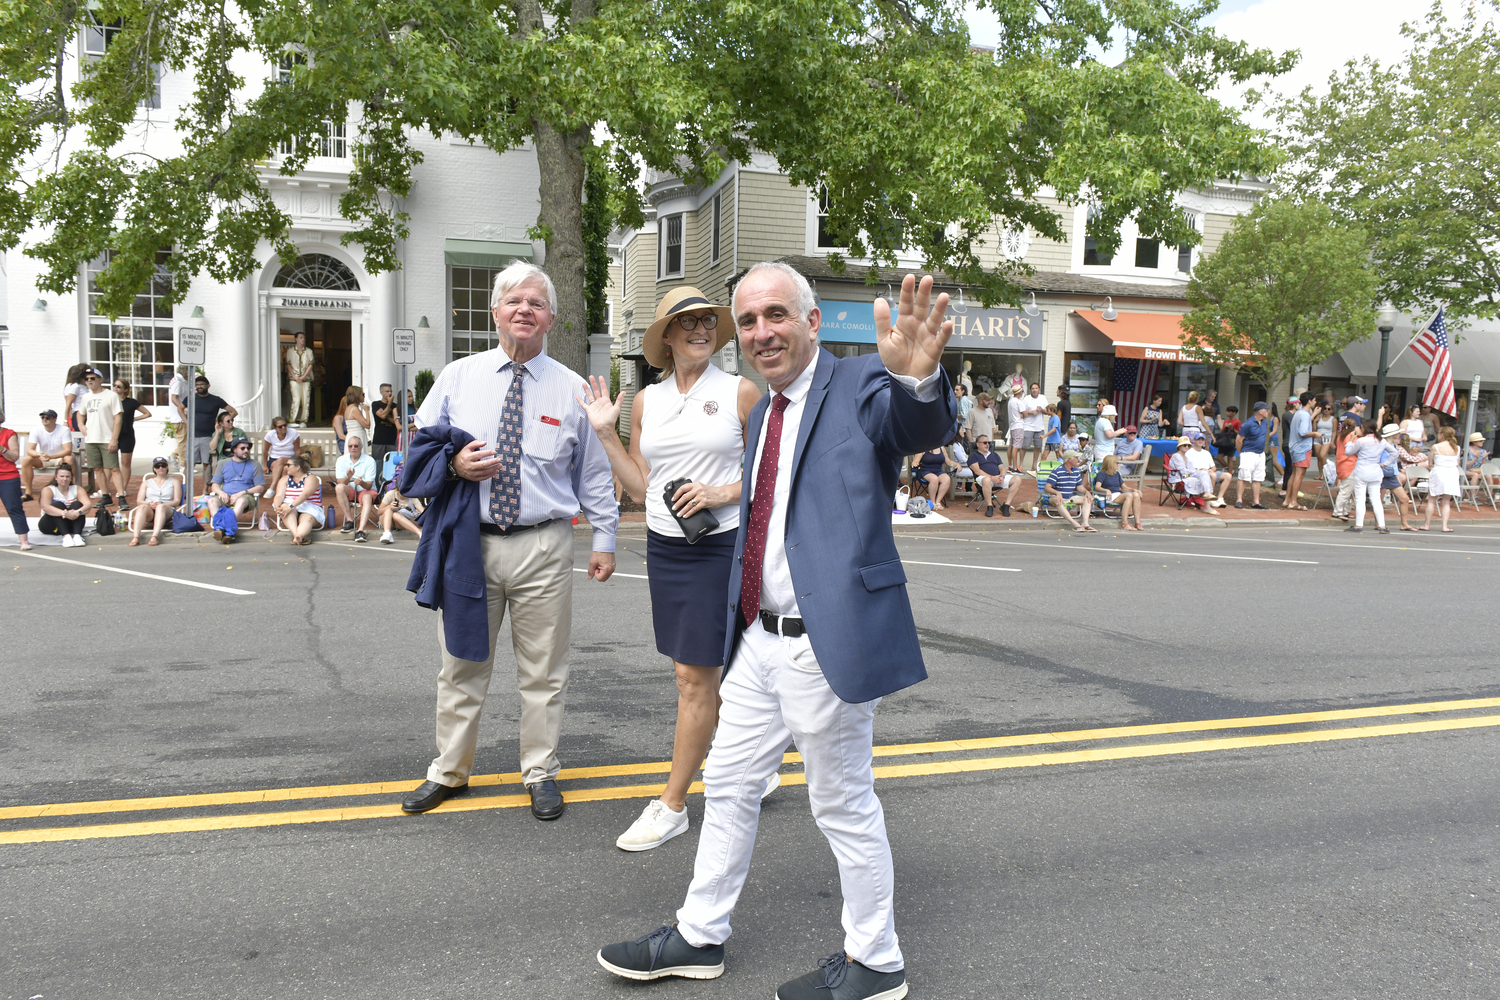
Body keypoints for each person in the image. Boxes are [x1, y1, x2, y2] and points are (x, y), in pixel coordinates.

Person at [598, 265, 954, 999]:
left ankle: (876, 962)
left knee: (842, 802)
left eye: (776, 315)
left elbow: (912, 426)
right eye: (749, 319)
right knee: (727, 784)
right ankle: (699, 936)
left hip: (826, 639)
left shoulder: (858, 386)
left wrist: (918, 380)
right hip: (758, 638)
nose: (762, 332)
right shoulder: (760, 411)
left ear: (813, 321)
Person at [398, 260, 618, 825]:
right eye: (514, 300)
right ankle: (449, 770)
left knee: (544, 671)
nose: (525, 310)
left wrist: (606, 538)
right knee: (460, 663)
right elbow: (418, 453)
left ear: (551, 317)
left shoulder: (572, 389)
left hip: (544, 546)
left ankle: (539, 771)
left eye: (536, 303)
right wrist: (454, 463)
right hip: (469, 546)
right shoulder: (457, 377)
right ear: (495, 312)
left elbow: (592, 473)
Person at [577, 284, 762, 852]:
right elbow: (641, 484)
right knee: (710, 672)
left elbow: (768, 476)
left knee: (693, 676)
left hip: (719, 546)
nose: (701, 329)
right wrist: (606, 432)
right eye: (688, 323)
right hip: (666, 547)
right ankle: (745, 760)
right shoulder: (645, 401)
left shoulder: (741, 392)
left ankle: (673, 804)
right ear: (666, 338)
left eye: (709, 320)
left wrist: (718, 493)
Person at [78, 368, 124, 504]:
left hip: (107, 438)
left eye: (92, 378)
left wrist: (114, 439)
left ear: (100, 379)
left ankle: (121, 496)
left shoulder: (111, 396)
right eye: (87, 379)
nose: (89, 381)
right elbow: (80, 413)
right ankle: (105, 495)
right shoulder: (86, 397)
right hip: (91, 438)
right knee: (97, 468)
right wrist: (81, 424)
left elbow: (118, 419)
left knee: (114, 468)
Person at [208, 437, 265, 543]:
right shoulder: (223, 463)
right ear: (234, 450)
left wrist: (242, 493)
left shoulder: (255, 464)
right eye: (242, 448)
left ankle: (222, 529)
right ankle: (226, 532)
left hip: (246, 496)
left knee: (241, 501)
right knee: (212, 500)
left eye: (248, 448)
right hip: (225, 495)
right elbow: (215, 484)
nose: (246, 451)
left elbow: (260, 487)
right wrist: (221, 492)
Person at [1344, 422, 1396, 533]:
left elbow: (1348, 452)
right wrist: (1385, 463)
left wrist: (1350, 441)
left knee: (1360, 499)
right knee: (1376, 500)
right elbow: (1394, 452)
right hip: (1375, 471)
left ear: (1365, 429)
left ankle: (1359, 525)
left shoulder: (1361, 441)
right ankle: (1382, 526)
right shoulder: (1381, 441)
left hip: (1362, 471)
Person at [19, 409, 72, 502]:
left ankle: (69, 490)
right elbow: (30, 450)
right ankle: (28, 492)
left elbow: (68, 450)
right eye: (42, 417)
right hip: (43, 457)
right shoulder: (36, 430)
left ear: (55, 419)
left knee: (69, 459)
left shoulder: (64, 430)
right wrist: (39, 454)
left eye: (47, 417)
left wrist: (50, 457)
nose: (44, 419)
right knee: (26, 459)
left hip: (59, 458)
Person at [112, 378, 148, 510]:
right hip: (112, 435)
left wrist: (133, 419)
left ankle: (123, 488)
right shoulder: (111, 401)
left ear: (125, 389)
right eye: (114, 386)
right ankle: (113, 488)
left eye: (119, 386)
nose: (116, 388)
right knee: (111, 464)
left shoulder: (131, 402)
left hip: (127, 434)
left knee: (125, 463)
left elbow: (147, 413)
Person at [272, 454, 325, 545]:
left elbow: (305, 494)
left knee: (307, 518)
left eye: (289, 465)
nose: (286, 467)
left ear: (297, 467)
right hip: (290, 506)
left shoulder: (311, 478)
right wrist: (278, 507)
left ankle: (300, 535)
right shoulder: (284, 479)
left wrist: (291, 506)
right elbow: (279, 495)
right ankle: (296, 535)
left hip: (309, 506)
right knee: (285, 508)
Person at [37, 464, 94, 546]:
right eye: (62, 476)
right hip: (51, 524)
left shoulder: (77, 489)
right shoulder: (48, 489)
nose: (64, 479)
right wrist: (64, 514)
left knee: (77, 504)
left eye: (67, 476)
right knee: (58, 504)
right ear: (56, 477)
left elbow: (88, 504)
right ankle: (66, 537)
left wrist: (77, 512)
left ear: (71, 478)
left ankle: (77, 536)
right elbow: (45, 507)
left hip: (69, 522)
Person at [333, 435, 377, 541]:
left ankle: (360, 530)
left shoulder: (369, 460)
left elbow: (369, 485)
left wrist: (361, 482)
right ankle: (349, 521)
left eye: (356, 446)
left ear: (361, 447)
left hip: (365, 490)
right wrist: (348, 477)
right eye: (350, 446)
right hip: (350, 489)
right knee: (339, 487)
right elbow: (340, 481)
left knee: (366, 496)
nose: (353, 448)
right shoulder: (341, 460)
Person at [190, 375, 234, 481]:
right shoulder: (191, 398)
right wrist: (186, 421)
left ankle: (205, 490)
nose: (199, 386)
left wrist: (225, 422)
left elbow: (233, 411)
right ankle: (186, 490)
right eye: (197, 384)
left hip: (208, 436)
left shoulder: (215, 400)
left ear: (208, 386)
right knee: (190, 465)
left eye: (202, 384)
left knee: (207, 465)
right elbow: (180, 408)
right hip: (192, 436)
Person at [128, 457, 179, 546]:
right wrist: (149, 503)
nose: (161, 468)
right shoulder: (147, 482)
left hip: (167, 509)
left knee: (160, 507)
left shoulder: (174, 481)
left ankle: (155, 536)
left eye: (163, 465)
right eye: (157, 466)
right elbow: (139, 501)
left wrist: (162, 504)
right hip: (150, 509)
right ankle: (135, 537)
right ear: (154, 469)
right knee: (142, 507)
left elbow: (177, 501)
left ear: (167, 467)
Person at [0, 409, 31, 550]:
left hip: (7, 476)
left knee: (14, 507)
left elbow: (14, 456)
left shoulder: (9, 434)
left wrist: (2, 449)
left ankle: (24, 541)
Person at [1421, 426, 1462, 532]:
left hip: (1439, 471)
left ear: (1442, 435)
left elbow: (1430, 463)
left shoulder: (1436, 447)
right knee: (1446, 501)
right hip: (1451, 473)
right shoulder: (1457, 447)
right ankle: (1444, 526)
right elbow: (1457, 464)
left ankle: (1427, 524)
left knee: (1431, 500)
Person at [968, 434, 1020, 517]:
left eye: (989, 442)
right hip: (983, 480)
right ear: (978, 444)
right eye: (985, 442)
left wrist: (1002, 477)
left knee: (1017, 479)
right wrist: (992, 477)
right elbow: (977, 471)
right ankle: (989, 506)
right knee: (986, 480)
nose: (987, 444)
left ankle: (1006, 505)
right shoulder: (973, 455)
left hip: (997, 478)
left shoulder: (994, 455)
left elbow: (1002, 468)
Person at [1043, 449, 1095, 530]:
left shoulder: (1076, 471)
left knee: (1087, 499)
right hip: (1055, 497)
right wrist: (1057, 493)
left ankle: (1085, 523)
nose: (1078, 460)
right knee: (1058, 500)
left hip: (1070, 497)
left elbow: (1079, 487)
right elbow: (1047, 487)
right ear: (1070, 459)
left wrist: (1086, 492)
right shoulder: (1057, 471)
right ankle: (1074, 523)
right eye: (1076, 458)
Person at [1234, 401, 1272, 509]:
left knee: (1258, 478)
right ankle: (1239, 500)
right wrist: (1242, 453)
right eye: (1266, 409)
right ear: (1261, 411)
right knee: (1243, 476)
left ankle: (1256, 501)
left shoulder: (1264, 422)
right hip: (1248, 453)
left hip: (1260, 454)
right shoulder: (1248, 424)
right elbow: (1239, 440)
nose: (1268, 411)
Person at [1284, 395, 1318, 511]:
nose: (1315, 402)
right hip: (1302, 448)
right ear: (1309, 401)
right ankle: (1293, 502)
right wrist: (1315, 434)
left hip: (1294, 447)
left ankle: (1287, 500)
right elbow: (1303, 432)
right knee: (1299, 475)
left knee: (1293, 474)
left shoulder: (1298, 413)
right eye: (1314, 400)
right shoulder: (1305, 414)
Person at [1379, 425, 1417, 531]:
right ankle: (1378, 523)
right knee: (1379, 500)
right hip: (1382, 474)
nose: (1399, 435)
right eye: (1397, 433)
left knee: (1404, 499)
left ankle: (1404, 523)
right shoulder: (1383, 445)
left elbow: (1394, 462)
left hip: (1391, 474)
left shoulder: (1394, 445)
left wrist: (1396, 474)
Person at [1094, 454, 1142, 529]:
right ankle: (1124, 523)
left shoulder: (1117, 474)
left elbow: (1124, 488)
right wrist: (1106, 490)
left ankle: (1137, 523)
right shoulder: (1102, 474)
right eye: (1117, 463)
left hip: (1118, 494)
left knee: (1136, 495)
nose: (1118, 464)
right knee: (1128, 496)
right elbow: (1097, 487)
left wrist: (1134, 490)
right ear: (1111, 464)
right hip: (1109, 496)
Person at [63, 363, 90, 491]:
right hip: (79, 414)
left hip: (86, 413)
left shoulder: (82, 386)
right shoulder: (74, 387)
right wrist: (66, 420)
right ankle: (82, 458)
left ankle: (86, 457)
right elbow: (69, 404)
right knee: (80, 437)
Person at [1187, 433, 1231, 506]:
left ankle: (1220, 498)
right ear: (1194, 440)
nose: (1200, 441)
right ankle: (1209, 497)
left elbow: (1214, 467)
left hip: (1208, 471)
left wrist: (1210, 470)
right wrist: (1202, 470)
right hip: (1197, 473)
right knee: (1212, 475)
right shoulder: (1189, 453)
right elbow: (1189, 468)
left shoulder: (1206, 453)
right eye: (1198, 439)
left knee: (1228, 476)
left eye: (1202, 439)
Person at [1330, 417, 1361, 520]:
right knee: (1346, 490)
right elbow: (1357, 449)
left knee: (1345, 488)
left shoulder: (1341, 436)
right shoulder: (1352, 437)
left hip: (1341, 464)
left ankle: (1344, 511)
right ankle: (1338, 511)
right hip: (1350, 465)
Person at [377, 476, 423, 544]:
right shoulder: (391, 494)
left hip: (400, 523)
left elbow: (423, 511)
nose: (405, 494)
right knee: (389, 510)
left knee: (395, 515)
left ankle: (420, 533)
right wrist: (389, 506)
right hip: (386, 520)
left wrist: (420, 514)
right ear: (397, 490)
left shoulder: (412, 497)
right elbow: (379, 512)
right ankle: (387, 533)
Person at [284, 331, 315, 425]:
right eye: (301, 337)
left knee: (306, 399)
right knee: (296, 399)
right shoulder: (290, 351)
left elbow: (311, 364)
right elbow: (288, 364)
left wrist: (303, 376)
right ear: (296, 339)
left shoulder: (309, 351)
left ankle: (304, 420)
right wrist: (294, 376)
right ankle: (292, 419)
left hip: (306, 379)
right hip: (294, 378)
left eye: (304, 338)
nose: (303, 339)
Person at [371, 382, 400, 481]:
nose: (389, 394)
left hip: (392, 439)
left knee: (392, 464)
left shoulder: (395, 406)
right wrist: (388, 407)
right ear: (381, 392)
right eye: (387, 391)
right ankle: (378, 487)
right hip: (379, 439)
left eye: (391, 391)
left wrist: (386, 416)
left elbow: (395, 421)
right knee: (378, 464)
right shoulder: (376, 404)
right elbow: (382, 416)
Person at [262, 417, 301, 490]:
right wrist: (265, 465)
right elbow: (265, 450)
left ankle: (273, 487)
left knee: (281, 460)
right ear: (275, 428)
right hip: (274, 459)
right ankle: (283, 491)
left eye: (285, 425)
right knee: (284, 470)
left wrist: (297, 463)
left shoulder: (293, 433)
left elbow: (298, 450)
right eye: (280, 426)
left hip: (290, 458)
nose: (283, 428)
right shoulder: (270, 434)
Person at [912, 444, 955, 508]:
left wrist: (956, 464)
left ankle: (938, 502)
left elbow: (948, 461)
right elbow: (915, 461)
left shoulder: (941, 448)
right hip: (925, 471)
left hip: (938, 471)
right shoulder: (922, 448)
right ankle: (932, 502)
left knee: (946, 479)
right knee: (934, 479)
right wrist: (915, 464)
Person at [1019, 382, 1048, 473]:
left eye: (1036, 388)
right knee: (1024, 446)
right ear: (1030, 390)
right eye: (1033, 388)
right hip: (1028, 426)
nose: (1034, 390)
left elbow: (1047, 412)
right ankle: (1021, 464)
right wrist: (1031, 412)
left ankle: (1034, 465)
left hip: (1039, 427)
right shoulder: (1026, 398)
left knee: (1038, 447)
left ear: (1039, 389)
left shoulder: (1042, 398)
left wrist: (1041, 410)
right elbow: (1022, 413)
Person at [168, 364, 192, 470]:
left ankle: (173, 456)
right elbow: (174, 398)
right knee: (183, 443)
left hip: (181, 416)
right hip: (179, 417)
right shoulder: (178, 381)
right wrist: (182, 408)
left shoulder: (181, 380)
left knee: (185, 441)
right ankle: (183, 465)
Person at [342, 386, 371, 454]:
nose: (363, 396)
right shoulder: (354, 409)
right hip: (357, 435)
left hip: (352, 434)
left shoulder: (348, 408)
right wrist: (367, 411)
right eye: (362, 394)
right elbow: (367, 425)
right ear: (357, 395)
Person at [1004, 384, 1025, 470]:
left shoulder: (1010, 401)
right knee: (1016, 447)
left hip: (1012, 425)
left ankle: (1010, 465)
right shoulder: (1019, 402)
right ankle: (1015, 468)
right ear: (1020, 392)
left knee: (1011, 445)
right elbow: (1025, 414)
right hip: (1019, 425)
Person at [1213, 406, 1240, 471]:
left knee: (1230, 458)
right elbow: (1223, 431)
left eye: (1229, 412)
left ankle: (1230, 473)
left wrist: (1232, 428)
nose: (1227, 413)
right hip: (1224, 441)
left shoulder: (1237, 421)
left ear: (1234, 413)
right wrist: (1225, 427)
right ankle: (1229, 469)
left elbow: (1239, 432)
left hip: (1231, 440)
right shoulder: (1226, 421)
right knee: (1219, 457)